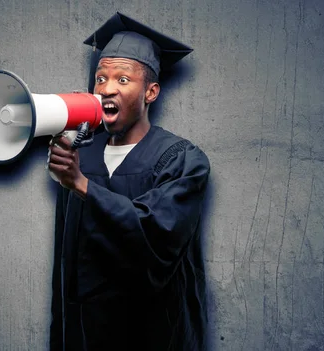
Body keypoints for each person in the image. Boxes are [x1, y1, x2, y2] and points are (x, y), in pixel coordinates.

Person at [47, 12, 211, 351]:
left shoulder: (182, 160)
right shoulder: (83, 157)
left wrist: (81, 185)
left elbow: (157, 234)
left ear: (150, 91)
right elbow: (67, 266)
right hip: (87, 337)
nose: (107, 88)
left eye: (123, 79)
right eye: (101, 78)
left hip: (154, 336)